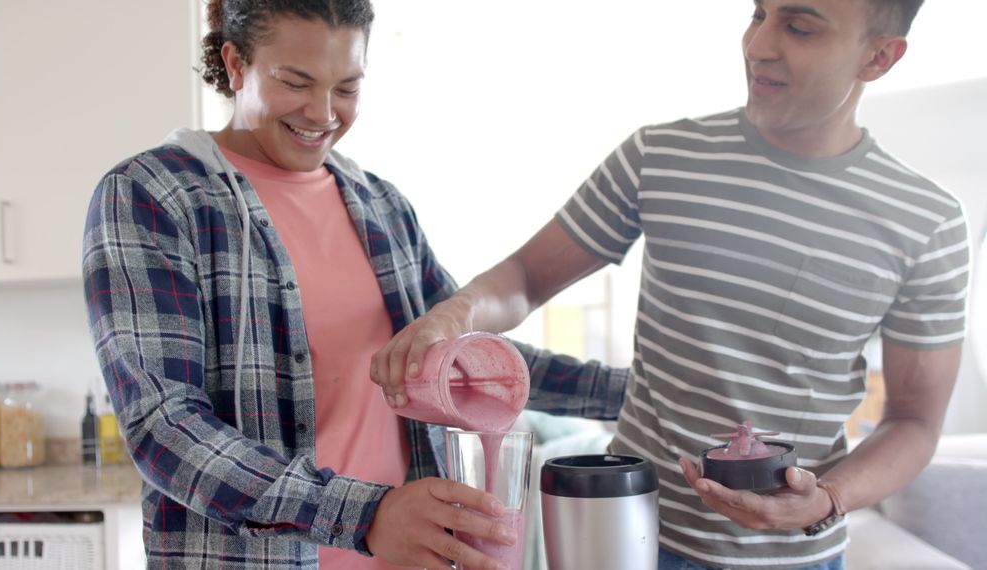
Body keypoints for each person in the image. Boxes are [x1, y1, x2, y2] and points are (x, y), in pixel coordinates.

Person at [372, 1, 969, 568]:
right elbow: (526, 277)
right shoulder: (660, 156)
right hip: (624, 535)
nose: (758, 45)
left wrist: (828, 497)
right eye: (758, 14)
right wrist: (453, 315)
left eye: (800, 27)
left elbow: (914, 421)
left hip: (794, 559)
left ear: (879, 57)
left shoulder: (927, 223)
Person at [82, 1, 627, 568]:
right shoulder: (154, 196)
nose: (323, 113)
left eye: (347, 87)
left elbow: (473, 364)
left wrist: (649, 390)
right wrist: (366, 515)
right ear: (236, 63)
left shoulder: (381, 206)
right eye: (297, 82)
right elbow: (165, 428)